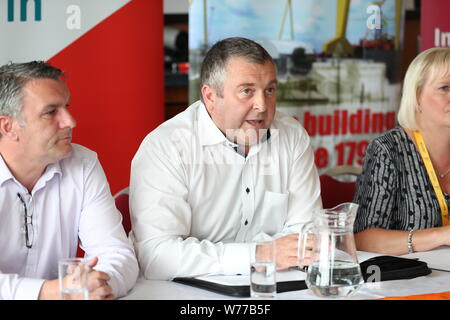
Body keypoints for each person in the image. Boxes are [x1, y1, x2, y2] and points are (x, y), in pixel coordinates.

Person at [130, 37, 322, 280]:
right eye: (246, 91)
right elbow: (158, 256)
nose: (262, 105)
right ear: (210, 97)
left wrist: (267, 256)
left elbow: (306, 237)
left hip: (275, 285)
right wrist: (260, 254)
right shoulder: (167, 147)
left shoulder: (292, 136)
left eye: (270, 90)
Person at [0, 61, 139, 299]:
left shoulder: (83, 164)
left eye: (66, 107)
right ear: (8, 126)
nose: (70, 121)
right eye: (51, 111)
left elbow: (116, 252)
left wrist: (98, 285)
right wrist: (53, 292)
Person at [354, 47, 450, 255]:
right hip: (408, 282)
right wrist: (442, 235)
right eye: (445, 88)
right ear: (416, 97)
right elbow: (362, 238)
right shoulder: (388, 150)